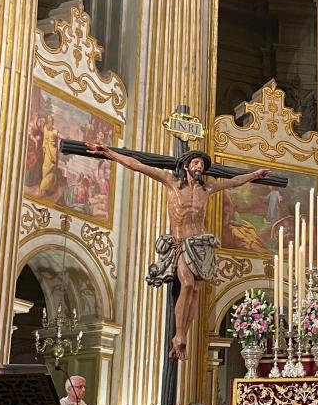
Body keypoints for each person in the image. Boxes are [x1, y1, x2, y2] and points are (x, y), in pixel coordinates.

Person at [88, 144, 268, 359]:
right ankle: (179, 335)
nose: (199, 166)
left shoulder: (206, 189)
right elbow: (137, 165)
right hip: (181, 243)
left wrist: (255, 174)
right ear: (185, 166)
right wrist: (109, 153)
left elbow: (234, 181)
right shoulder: (171, 182)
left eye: (202, 164)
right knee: (188, 284)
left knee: (196, 291)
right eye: (195, 162)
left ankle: (184, 335)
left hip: (201, 244)